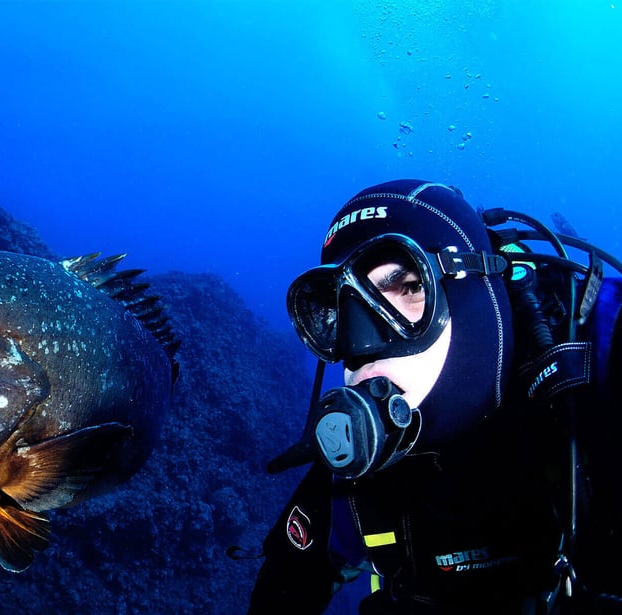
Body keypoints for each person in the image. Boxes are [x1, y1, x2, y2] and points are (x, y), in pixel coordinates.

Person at [249, 179, 622, 614]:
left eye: (409, 287)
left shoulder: (601, 360)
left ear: (472, 294)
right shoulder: (358, 478)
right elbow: (286, 585)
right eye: (338, 310)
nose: (361, 344)